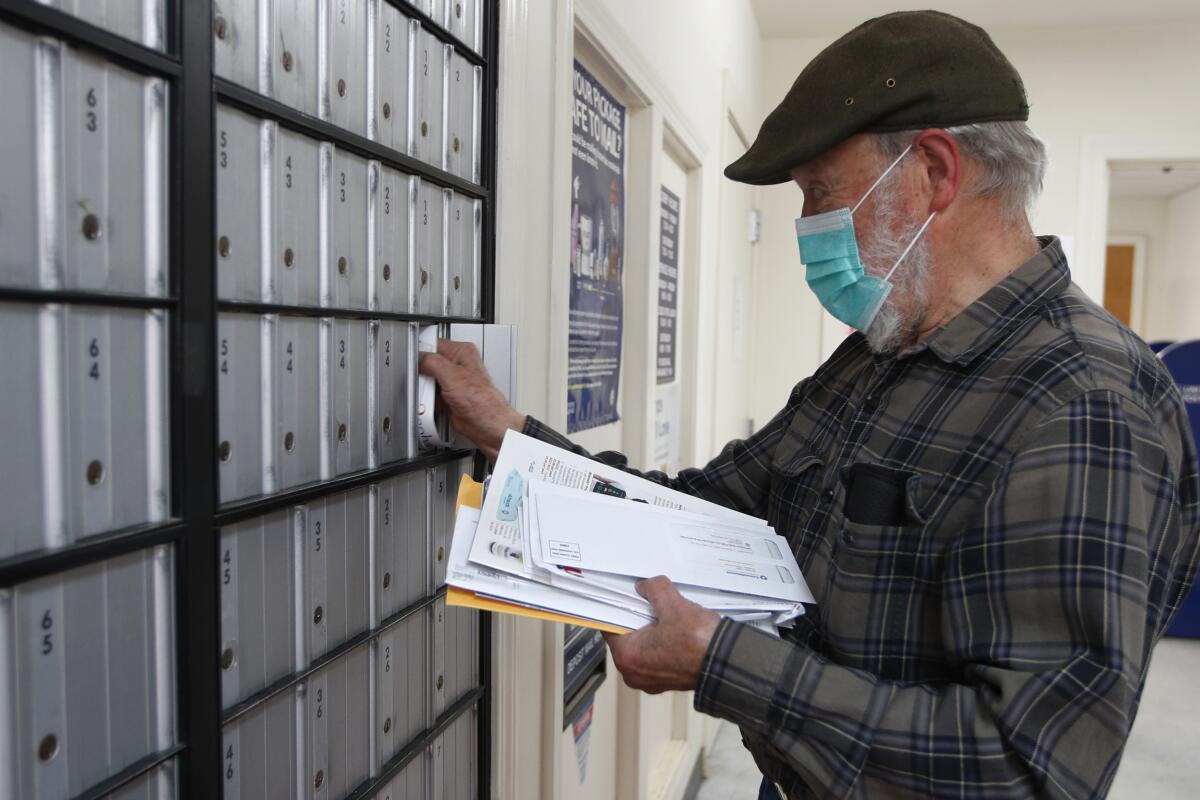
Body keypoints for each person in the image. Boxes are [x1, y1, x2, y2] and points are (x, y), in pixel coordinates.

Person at [420, 10, 1200, 798]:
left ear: (934, 170)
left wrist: (720, 663)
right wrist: (512, 435)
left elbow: (1027, 770)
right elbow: (701, 511)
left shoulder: (1086, 405)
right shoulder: (876, 356)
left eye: (822, 193)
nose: (806, 229)